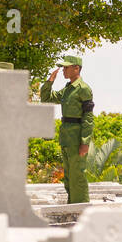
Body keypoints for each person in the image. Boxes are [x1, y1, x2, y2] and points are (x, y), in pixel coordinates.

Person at [40, 54, 94, 204]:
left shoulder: (83, 89)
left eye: (66, 67)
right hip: (66, 137)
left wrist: (85, 142)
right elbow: (46, 98)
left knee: (78, 175)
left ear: (76, 68)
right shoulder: (67, 89)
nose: (63, 70)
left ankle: (81, 207)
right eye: (63, 67)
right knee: (69, 176)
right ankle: (72, 206)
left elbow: (88, 118)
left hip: (77, 137)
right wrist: (50, 81)